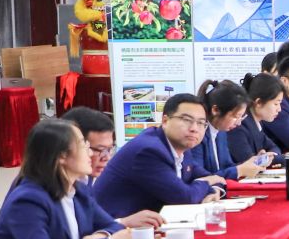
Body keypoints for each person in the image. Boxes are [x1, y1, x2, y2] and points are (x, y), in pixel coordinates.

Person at [0, 119, 134, 239]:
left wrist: (99, 236)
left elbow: (113, 226)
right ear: (62, 155)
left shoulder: (79, 191)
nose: (90, 153)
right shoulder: (27, 200)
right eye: (83, 145)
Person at [93, 93, 224, 218]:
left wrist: (214, 188)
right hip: (116, 227)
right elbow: (184, 197)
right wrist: (208, 183)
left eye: (201, 123)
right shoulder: (149, 151)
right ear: (165, 121)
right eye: (186, 120)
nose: (194, 128)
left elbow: (210, 177)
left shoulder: (182, 147)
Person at [60, 107, 165, 231]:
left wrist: (123, 223)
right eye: (99, 150)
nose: (106, 157)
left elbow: (96, 223)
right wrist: (124, 223)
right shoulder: (47, 192)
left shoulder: (84, 182)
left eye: (109, 149)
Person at [189, 79, 271, 180]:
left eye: (241, 117)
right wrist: (239, 170)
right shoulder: (197, 135)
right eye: (236, 116)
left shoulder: (221, 132)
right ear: (216, 110)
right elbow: (202, 178)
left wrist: (249, 165)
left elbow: (226, 166)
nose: (239, 123)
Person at [228, 73, 289, 166]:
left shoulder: (257, 123)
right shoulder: (239, 126)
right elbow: (248, 162)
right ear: (259, 102)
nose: (279, 109)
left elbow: (274, 147)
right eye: (276, 104)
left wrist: (265, 157)